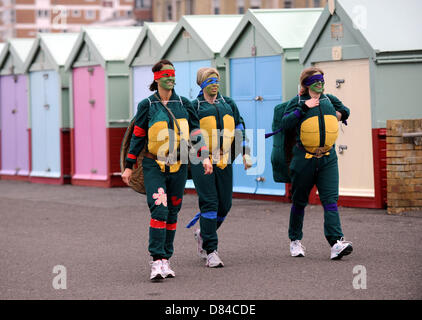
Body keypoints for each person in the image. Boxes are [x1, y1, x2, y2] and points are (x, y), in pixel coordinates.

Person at [122, 60, 213, 280]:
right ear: (157, 78)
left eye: (172, 75)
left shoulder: (183, 103)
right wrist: (128, 166)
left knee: (172, 212)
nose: (170, 79)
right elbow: (138, 135)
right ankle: (156, 260)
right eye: (166, 75)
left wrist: (205, 157)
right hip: (154, 164)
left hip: (178, 165)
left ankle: (166, 261)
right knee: (159, 210)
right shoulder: (148, 105)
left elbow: (195, 132)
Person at [280, 66, 353, 260]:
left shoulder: (330, 99)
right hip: (304, 159)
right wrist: (304, 108)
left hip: (328, 159)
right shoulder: (297, 102)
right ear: (306, 84)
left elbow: (345, 111)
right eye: (316, 81)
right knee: (299, 202)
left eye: (322, 80)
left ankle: (336, 242)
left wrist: (340, 115)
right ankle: (295, 240)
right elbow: (285, 123)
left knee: (330, 201)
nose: (320, 84)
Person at [186, 67, 252, 268]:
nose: (214, 84)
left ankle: (204, 233)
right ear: (202, 84)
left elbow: (239, 127)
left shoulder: (228, 103)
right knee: (210, 203)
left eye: (216, 80)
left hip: (224, 160)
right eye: (210, 81)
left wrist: (246, 153)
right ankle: (211, 251)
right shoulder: (195, 106)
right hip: (201, 161)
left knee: (225, 204)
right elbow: (192, 134)